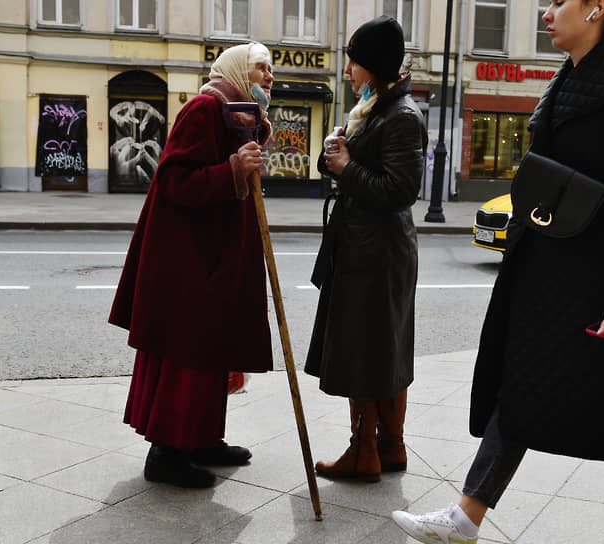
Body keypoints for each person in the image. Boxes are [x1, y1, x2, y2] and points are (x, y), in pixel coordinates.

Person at [392, 1, 604, 543]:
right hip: (554, 272)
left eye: (559, 1)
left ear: (597, 9)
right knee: (523, 383)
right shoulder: (568, 81)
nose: (546, 12)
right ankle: (467, 517)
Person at [109, 42, 275, 488]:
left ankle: (201, 438)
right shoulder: (204, 107)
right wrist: (233, 169)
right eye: (263, 69)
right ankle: (166, 452)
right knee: (188, 351)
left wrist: (245, 158)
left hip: (215, 253)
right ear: (240, 70)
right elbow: (175, 179)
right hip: (189, 260)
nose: (270, 78)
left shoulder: (239, 116)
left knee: (211, 351)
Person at [305, 15, 427, 483]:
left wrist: (347, 166)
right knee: (383, 350)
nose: (348, 68)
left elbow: (401, 188)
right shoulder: (375, 108)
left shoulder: (400, 116)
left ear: (371, 64)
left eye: (353, 60)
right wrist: (335, 156)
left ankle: (364, 453)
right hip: (370, 249)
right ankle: (390, 446)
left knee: (367, 352)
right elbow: (339, 164)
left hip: (376, 255)